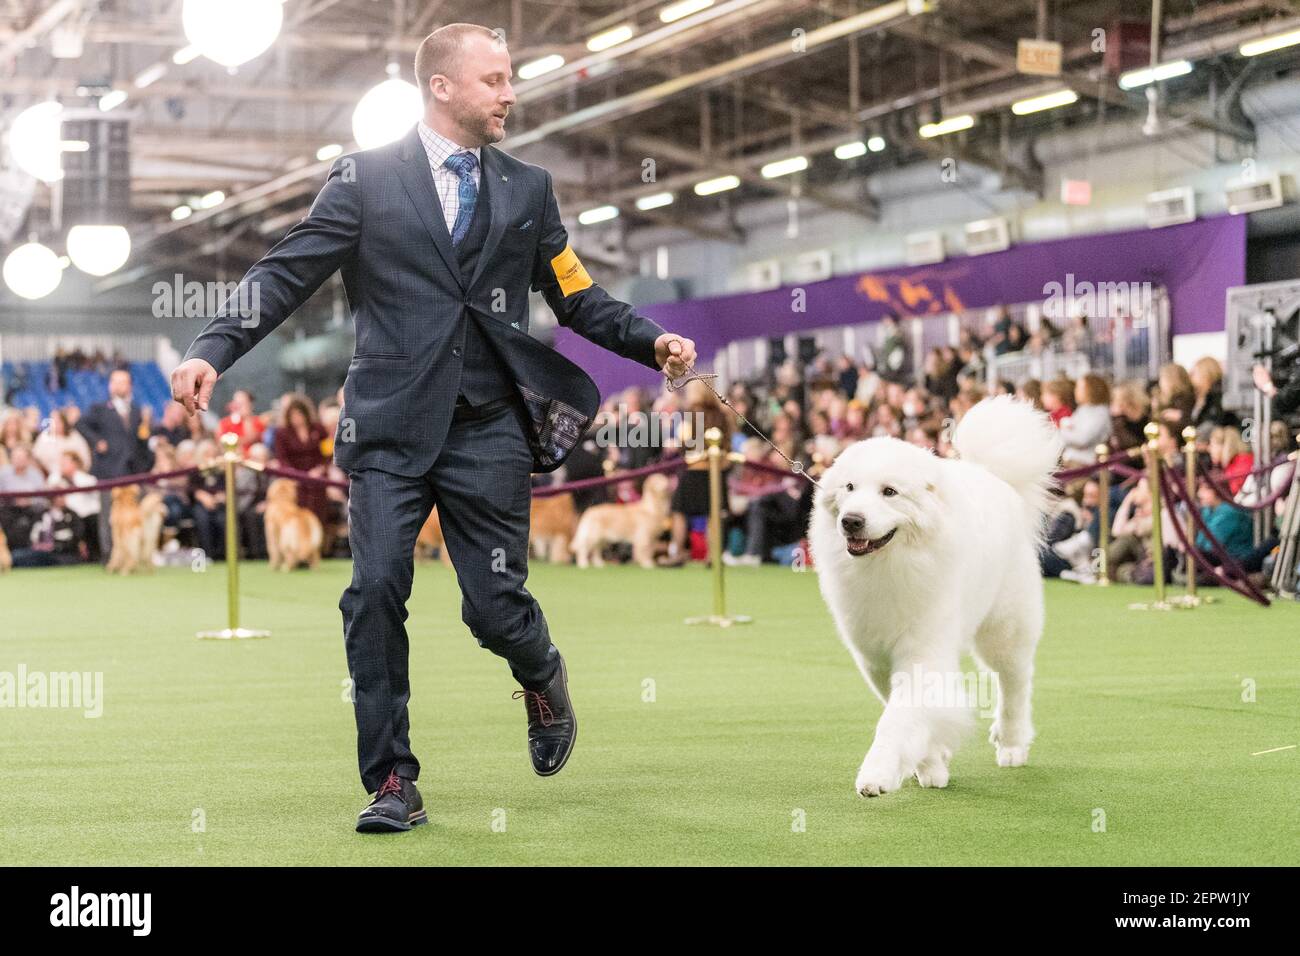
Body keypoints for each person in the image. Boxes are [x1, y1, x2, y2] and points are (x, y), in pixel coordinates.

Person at [170, 22, 696, 834]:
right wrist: (214, 347)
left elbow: (575, 293)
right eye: (494, 80)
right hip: (387, 429)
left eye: (510, 79)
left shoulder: (528, 188)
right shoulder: (363, 181)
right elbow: (283, 272)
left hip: (488, 430)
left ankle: (540, 670)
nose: (510, 94)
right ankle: (392, 780)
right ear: (441, 87)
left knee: (492, 608)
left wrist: (648, 338)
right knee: (374, 590)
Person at [76, 368, 152, 561]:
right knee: (107, 516)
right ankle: (109, 555)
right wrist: (97, 442)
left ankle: (133, 555)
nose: (119, 385)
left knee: (134, 514)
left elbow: (140, 439)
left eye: (123, 381)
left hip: (132, 470)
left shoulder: (136, 410)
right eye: (115, 381)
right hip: (108, 470)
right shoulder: (100, 408)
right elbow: (80, 424)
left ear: (130, 385)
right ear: (110, 385)